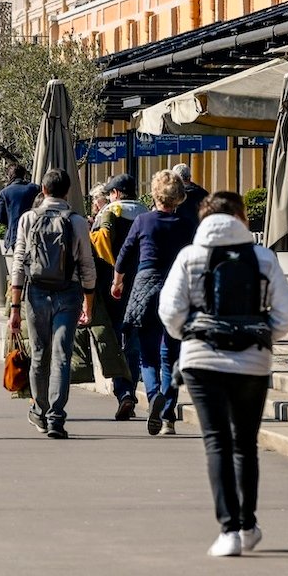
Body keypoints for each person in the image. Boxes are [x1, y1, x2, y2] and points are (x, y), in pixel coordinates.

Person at [159, 191, 288, 557]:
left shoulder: (190, 257)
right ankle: (248, 524)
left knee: (216, 442)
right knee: (245, 444)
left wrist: (191, 333)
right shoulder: (262, 257)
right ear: (240, 218)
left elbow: (170, 311)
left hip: (202, 361)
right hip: (253, 362)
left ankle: (229, 530)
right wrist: (261, 331)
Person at [9, 167, 95, 439]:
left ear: (43, 190)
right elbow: (87, 265)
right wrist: (88, 303)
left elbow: (19, 263)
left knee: (39, 354)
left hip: (35, 293)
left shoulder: (28, 219)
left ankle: (40, 411)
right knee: (61, 355)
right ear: (67, 191)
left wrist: (14, 308)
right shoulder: (77, 221)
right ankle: (57, 418)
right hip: (69, 293)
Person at [112, 170, 194, 436]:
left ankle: (152, 395)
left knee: (147, 355)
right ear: (178, 198)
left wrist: (117, 281)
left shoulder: (143, 221)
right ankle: (168, 414)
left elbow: (125, 253)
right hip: (176, 287)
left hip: (146, 286)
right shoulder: (186, 224)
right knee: (170, 354)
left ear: (156, 194)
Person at [91, 172, 149, 420]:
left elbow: (100, 242)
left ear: (114, 194)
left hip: (113, 287)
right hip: (143, 285)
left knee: (114, 341)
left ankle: (123, 392)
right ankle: (133, 390)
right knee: (134, 341)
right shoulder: (147, 213)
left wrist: (113, 268)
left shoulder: (110, 212)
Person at [0, 165, 41, 255]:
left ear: (9, 176)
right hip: (36, 231)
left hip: (15, 233)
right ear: (24, 174)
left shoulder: (5, 192)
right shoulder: (35, 188)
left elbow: (1, 218)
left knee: (19, 262)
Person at [172, 162, 210, 228]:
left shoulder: (174, 195)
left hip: (180, 232)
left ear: (175, 179)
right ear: (189, 177)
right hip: (199, 232)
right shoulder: (203, 193)